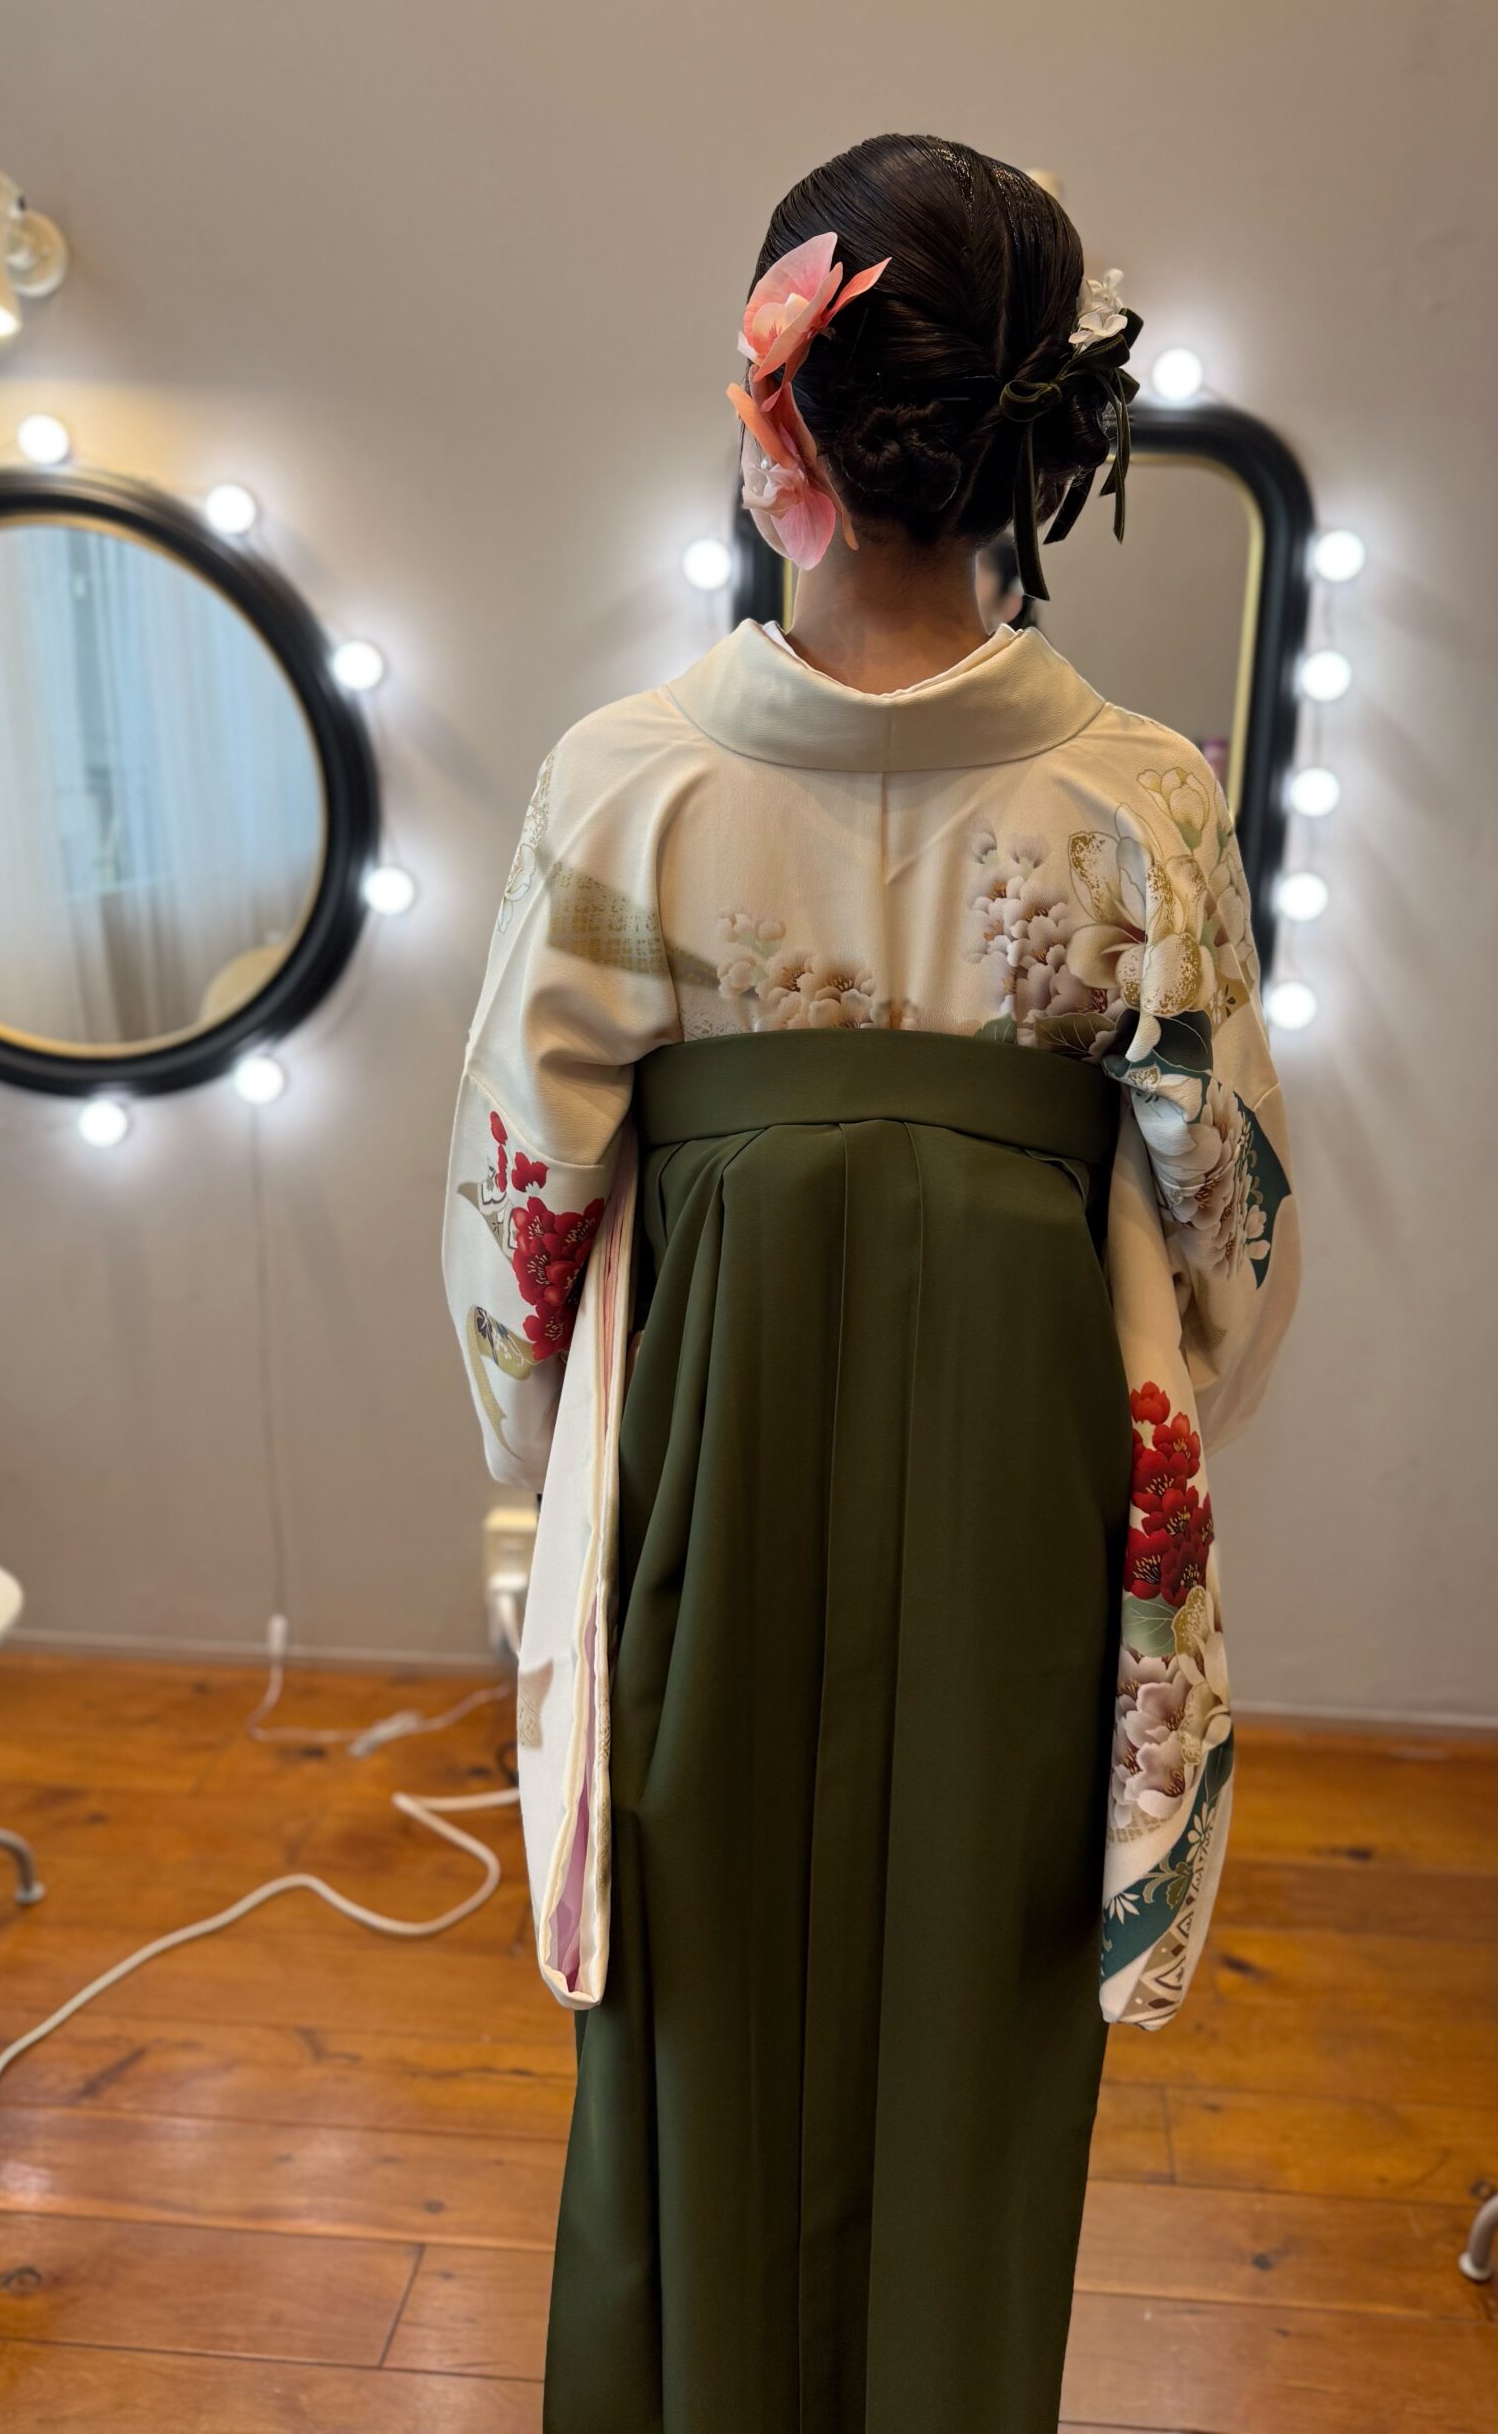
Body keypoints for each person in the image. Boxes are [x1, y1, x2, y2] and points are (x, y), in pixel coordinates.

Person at [442, 131, 1299, 2434]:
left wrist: (537, 1453)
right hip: (1024, 1485)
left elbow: (518, 1217)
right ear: (1038, 442)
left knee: (696, 2012)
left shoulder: (627, 786)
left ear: (778, 417)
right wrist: (1137, 1399)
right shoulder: (1144, 803)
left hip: (709, 1469)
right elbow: (1224, 1229)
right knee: (973, 2045)